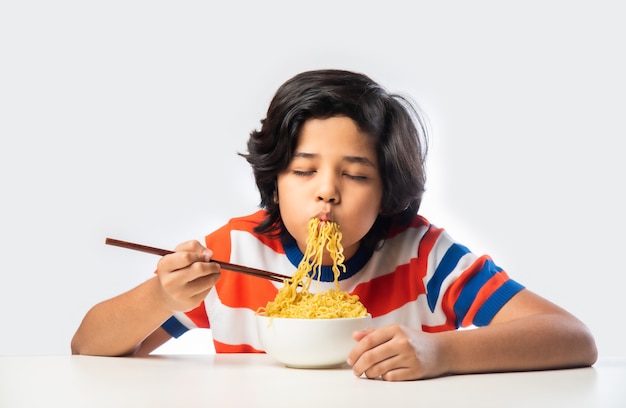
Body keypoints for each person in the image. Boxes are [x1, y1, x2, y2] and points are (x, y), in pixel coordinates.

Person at [71, 69, 598, 381]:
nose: (327, 190)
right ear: (274, 181)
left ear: (388, 190)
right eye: (304, 170)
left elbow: (571, 338)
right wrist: (162, 298)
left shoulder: (422, 256)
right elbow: (88, 349)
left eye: (356, 173)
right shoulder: (236, 255)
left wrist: (441, 352)